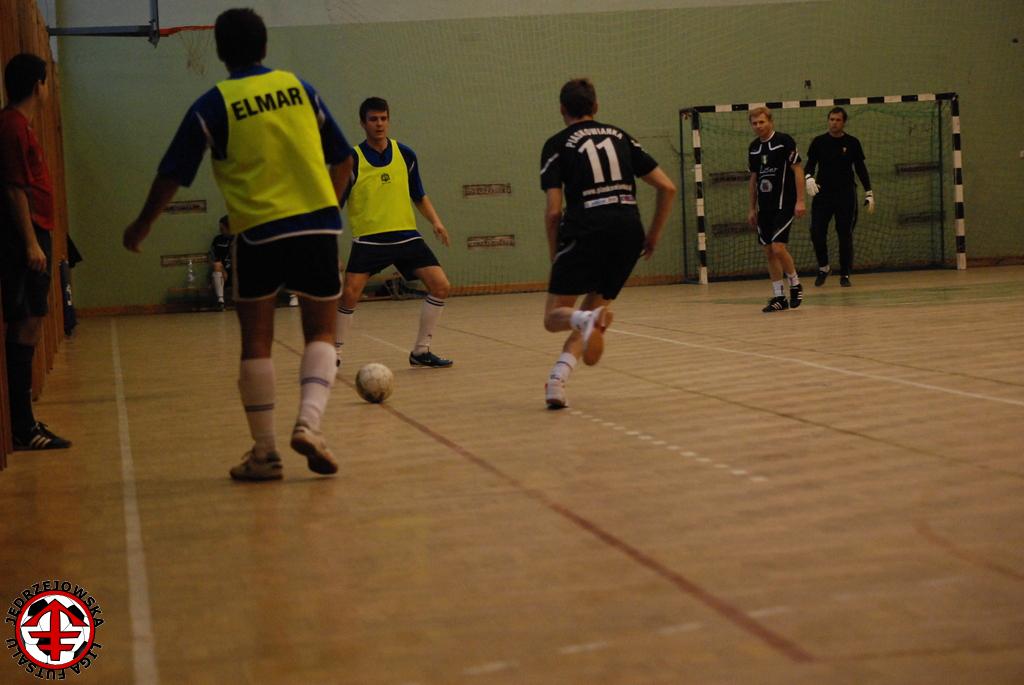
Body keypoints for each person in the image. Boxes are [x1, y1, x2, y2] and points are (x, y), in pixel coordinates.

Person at [123, 8, 354, 481]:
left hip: (258, 234)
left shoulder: (214, 104)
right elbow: (344, 159)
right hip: (317, 229)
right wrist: (327, 207)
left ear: (220, 51)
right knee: (321, 333)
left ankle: (265, 454)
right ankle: (309, 424)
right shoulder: (301, 89)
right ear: (265, 47)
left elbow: (172, 173)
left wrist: (143, 224)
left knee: (257, 342)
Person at [539, 78, 676, 409]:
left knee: (555, 316)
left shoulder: (556, 144)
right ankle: (557, 381)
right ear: (596, 106)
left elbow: (554, 212)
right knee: (591, 313)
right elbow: (667, 187)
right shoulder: (621, 136)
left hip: (586, 228)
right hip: (628, 231)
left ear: (562, 109)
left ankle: (583, 323)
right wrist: (653, 234)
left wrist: (555, 254)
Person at [334, 97, 453, 372]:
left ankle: (421, 351)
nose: (379, 124)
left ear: (389, 120)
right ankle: (334, 353)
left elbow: (419, 194)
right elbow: (334, 205)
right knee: (349, 294)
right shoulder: (351, 160)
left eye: (383, 118)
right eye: (373, 119)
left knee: (441, 285)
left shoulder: (406, 154)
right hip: (369, 240)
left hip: (406, 237)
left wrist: (436, 222)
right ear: (362, 123)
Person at [0, 53, 71, 450]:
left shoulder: (20, 126)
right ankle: (22, 426)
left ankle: (25, 420)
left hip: (36, 234)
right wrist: (30, 242)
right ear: (37, 85)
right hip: (24, 240)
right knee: (25, 322)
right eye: (46, 83)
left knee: (33, 321)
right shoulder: (11, 126)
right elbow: (14, 189)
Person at [804, 107, 874, 288]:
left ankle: (845, 273)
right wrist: (808, 177)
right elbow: (810, 165)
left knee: (844, 234)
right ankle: (824, 267)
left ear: (844, 122)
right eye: (831, 119)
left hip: (845, 194)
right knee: (817, 231)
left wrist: (869, 191)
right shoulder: (818, 142)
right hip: (823, 194)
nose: (834, 123)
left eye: (838, 120)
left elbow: (860, 168)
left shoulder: (852, 142)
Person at [747, 107, 806, 312]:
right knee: (769, 251)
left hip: (785, 203)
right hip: (765, 207)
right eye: (754, 123)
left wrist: (800, 200)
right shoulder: (754, 148)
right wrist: (751, 208)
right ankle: (779, 297)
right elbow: (753, 179)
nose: (758, 126)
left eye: (761, 122)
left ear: (770, 121)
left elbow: (797, 170)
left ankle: (795, 284)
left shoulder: (784, 141)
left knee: (778, 247)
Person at [209, 214, 233, 309]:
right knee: (217, 265)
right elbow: (211, 258)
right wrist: (223, 270)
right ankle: (221, 301)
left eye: (222, 229)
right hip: (222, 272)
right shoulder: (217, 240)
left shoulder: (238, 238)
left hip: (236, 272)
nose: (220, 230)